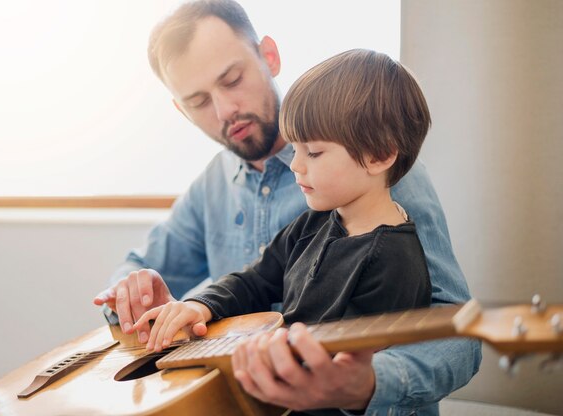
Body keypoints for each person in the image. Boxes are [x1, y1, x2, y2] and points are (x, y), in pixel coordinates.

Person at [92, 1, 481, 414]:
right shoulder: (213, 185)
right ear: (180, 111)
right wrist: (137, 304)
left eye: (233, 79)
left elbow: (460, 335)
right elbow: (148, 270)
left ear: (270, 57)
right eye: (199, 101)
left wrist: (367, 382)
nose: (226, 111)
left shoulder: (372, 170)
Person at [134, 48, 434, 363]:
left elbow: (346, 372)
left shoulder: (395, 261)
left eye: (313, 153)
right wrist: (200, 305)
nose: (295, 165)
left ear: (379, 156)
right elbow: (255, 279)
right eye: (295, 149)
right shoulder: (312, 224)